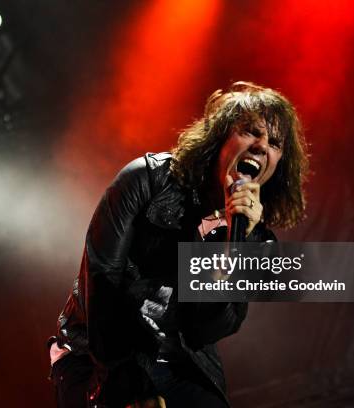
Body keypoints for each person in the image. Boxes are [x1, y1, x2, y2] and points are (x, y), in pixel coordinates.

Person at [48, 82, 309, 407]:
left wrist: (234, 243)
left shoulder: (256, 239)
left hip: (177, 359)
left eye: (274, 143)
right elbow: (102, 282)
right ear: (220, 136)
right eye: (251, 132)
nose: (261, 146)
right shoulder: (146, 180)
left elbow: (209, 329)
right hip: (97, 348)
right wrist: (131, 383)